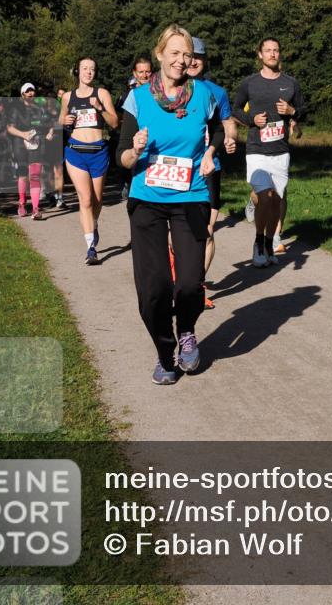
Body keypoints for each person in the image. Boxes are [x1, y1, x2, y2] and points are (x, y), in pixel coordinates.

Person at [116, 24, 224, 384]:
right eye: (175, 53)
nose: (181, 60)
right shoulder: (138, 99)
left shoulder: (203, 94)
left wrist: (210, 152)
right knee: (154, 288)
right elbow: (122, 158)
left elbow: (219, 129)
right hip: (147, 199)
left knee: (190, 282)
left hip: (191, 197)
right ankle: (165, 354)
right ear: (160, 54)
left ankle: (187, 328)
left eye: (186, 54)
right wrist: (135, 149)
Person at [232, 38, 306, 267]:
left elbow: (303, 110)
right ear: (260, 54)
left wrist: (292, 111)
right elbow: (235, 109)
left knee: (277, 202)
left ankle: (269, 242)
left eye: (276, 50)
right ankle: (258, 242)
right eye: (268, 51)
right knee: (266, 197)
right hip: (257, 150)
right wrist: (251, 120)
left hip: (281, 151)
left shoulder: (290, 83)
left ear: (279, 54)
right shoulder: (249, 83)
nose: (272, 54)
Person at [185, 38, 237, 302]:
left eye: (199, 57)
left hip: (209, 168)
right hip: (179, 169)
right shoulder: (172, 89)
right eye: (190, 56)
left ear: (205, 61)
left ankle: (197, 286)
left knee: (206, 231)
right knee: (177, 233)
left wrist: (230, 139)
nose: (194, 61)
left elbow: (228, 123)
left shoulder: (217, 92)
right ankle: (180, 277)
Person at [60, 58, 118, 264]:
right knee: (85, 200)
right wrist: (63, 121)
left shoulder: (102, 94)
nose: (88, 72)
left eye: (92, 69)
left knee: (97, 199)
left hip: (98, 152)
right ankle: (90, 247)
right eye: (84, 68)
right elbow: (61, 120)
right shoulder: (68, 97)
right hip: (75, 152)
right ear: (77, 71)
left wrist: (100, 108)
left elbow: (114, 122)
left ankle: (94, 223)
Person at [6, 82, 53, 219]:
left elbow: (50, 123)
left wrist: (50, 133)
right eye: (27, 91)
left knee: (35, 175)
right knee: (23, 175)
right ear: (22, 94)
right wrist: (23, 134)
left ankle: (35, 208)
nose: (30, 93)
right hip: (20, 143)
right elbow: (9, 128)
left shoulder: (41, 108)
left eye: (32, 91)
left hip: (37, 143)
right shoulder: (16, 109)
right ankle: (22, 204)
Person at [117, 56, 153, 200]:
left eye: (148, 72)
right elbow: (119, 114)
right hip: (132, 139)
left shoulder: (159, 93)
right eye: (141, 72)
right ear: (134, 73)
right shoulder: (129, 95)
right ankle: (128, 185)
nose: (144, 75)